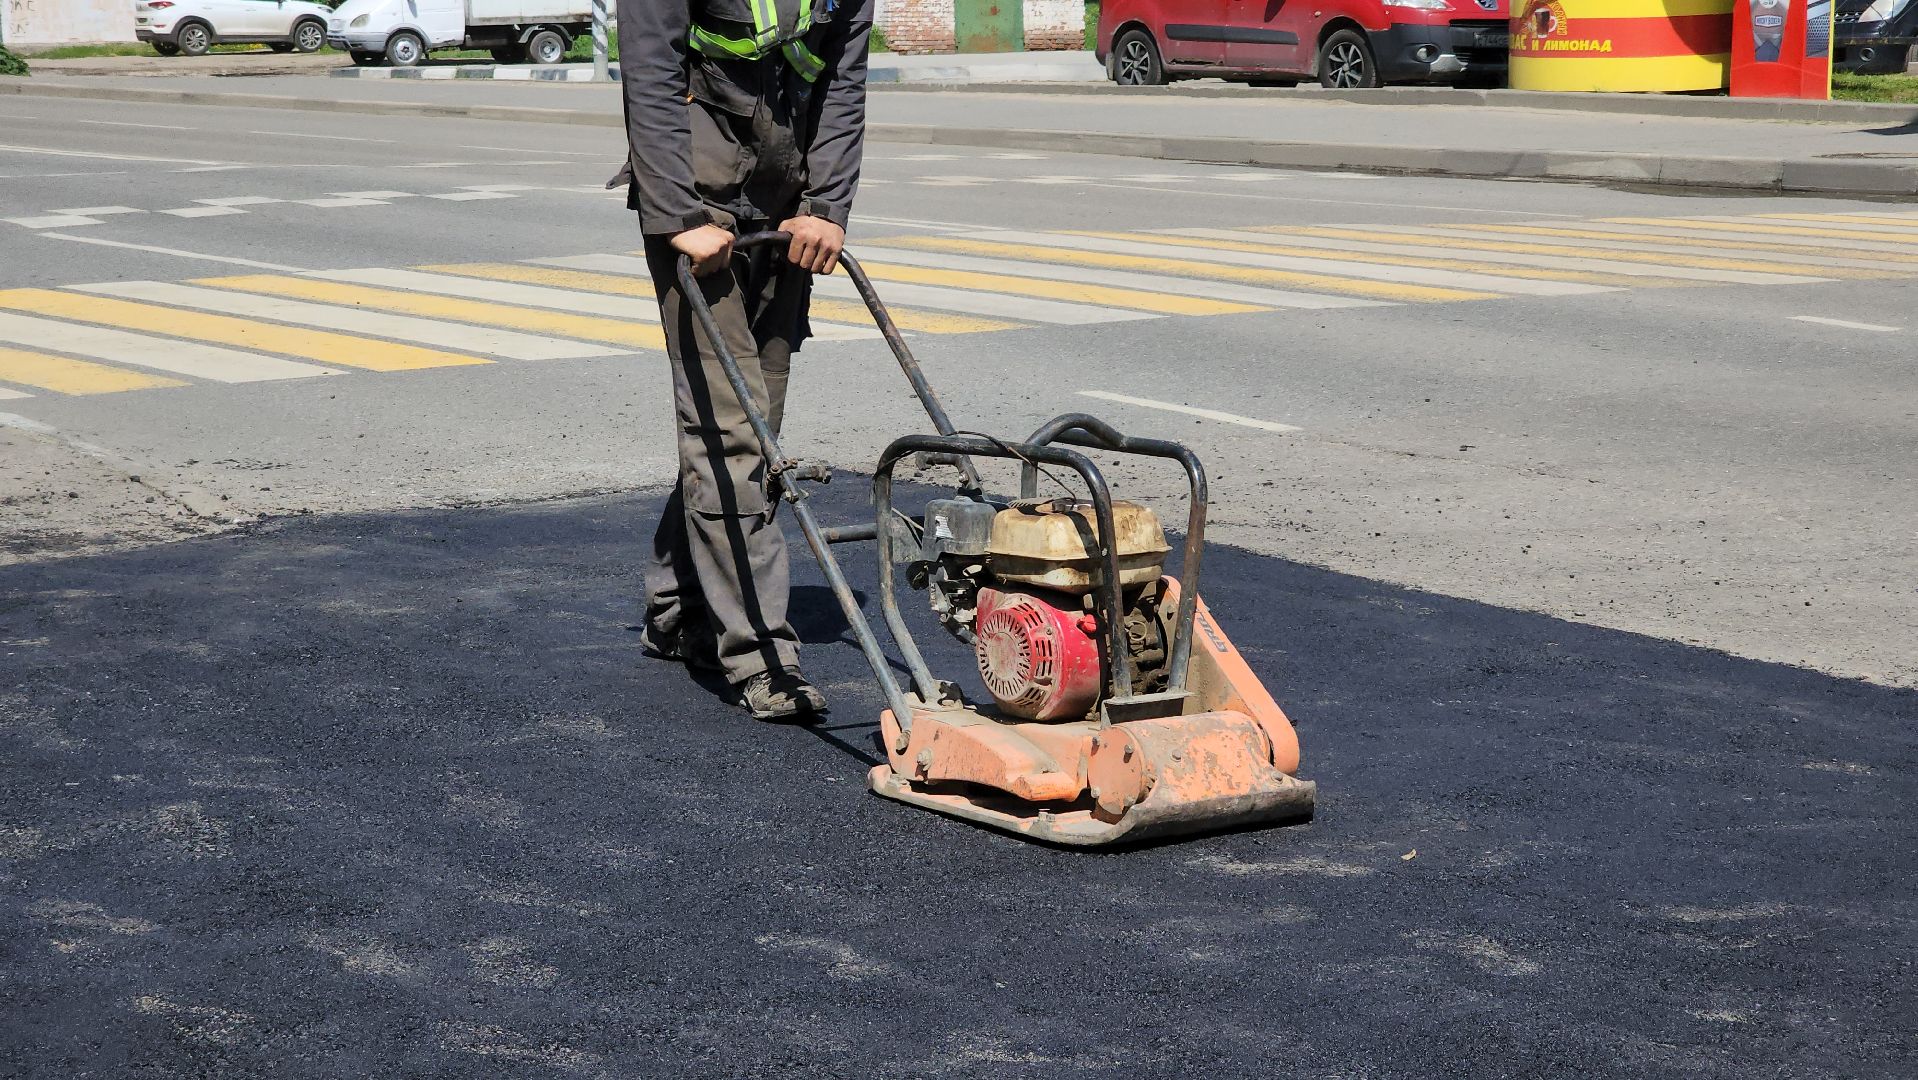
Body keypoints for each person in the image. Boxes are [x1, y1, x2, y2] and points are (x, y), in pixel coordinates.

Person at [614, 0, 870, 720]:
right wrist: (676, 215)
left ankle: (678, 605)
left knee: (756, 426)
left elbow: (843, 81)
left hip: (786, 208)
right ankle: (762, 656)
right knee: (732, 430)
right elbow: (650, 68)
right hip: (697, 200)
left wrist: (828, 204)